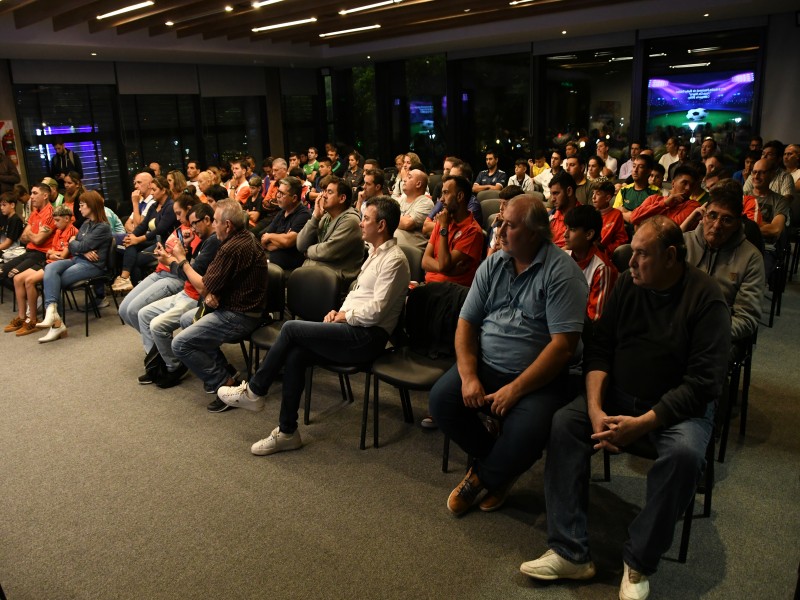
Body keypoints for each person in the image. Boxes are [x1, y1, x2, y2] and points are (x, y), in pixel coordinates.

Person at [521, 216, 730, 600]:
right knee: (566, 423)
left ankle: (638, 562)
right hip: (617, 397)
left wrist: (643, 423)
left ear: (670, 256)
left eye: (640, 254)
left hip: (676, 410)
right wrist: (597, 409)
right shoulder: (629, 286)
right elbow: (599, 349)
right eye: (630, 252)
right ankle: (570, 551)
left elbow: (704, 384)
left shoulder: (706, 298)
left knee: (684, 455)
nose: (629, 262)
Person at [429, 194, 587, 516]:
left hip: (539, 378)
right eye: (500, 222)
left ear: (534, 233)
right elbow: (466, 323)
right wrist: (470, 376)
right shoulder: (494, 263)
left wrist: (516, 390)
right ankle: (502, 468)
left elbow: (562, 347)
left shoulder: (562, 272)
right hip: (487, 365)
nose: (499, 230)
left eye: (509, 225)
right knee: (441, 401)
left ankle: (481, 477)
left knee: (528, 431)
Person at [217, 196, 410, 455]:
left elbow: (376, 311)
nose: (361, 223)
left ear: (382, 225)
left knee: (290, 329)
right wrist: (339, 311)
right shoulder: (373, 253)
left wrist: (344, 316)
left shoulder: (394, 260)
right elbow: (359, 297)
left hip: (368, 338)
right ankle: (287, 433)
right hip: (354, 329)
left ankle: (254, 390)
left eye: (366, 219)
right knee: (297, 354)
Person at [171, 200, 269, 401]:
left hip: (241, 315)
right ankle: (226, 370)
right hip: (237, 305)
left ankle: (225, 384)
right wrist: (212, 293)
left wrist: (181, 260)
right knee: (185, 320)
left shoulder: (231, 248)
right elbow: (218, 284)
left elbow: (202, 285)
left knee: (179, 344)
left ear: (227, 225)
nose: (213, 225)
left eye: (215, 221)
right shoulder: (245, 237)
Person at [138, 203, 221, 388]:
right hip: (185, 292)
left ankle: (174, 366)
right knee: (143, 315)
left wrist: (172, 260)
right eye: (190, 225)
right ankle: (157, 362)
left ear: (207, 220)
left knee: (157, 325)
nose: (192, 229)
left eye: (194, 224)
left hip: (195, 298)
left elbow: (189, 272)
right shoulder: (202, 239)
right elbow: (190, 267)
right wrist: (187, 248)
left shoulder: (214, 241)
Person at [682, 178, 764, 344]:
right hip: (678, 324)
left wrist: (709, 334)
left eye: (726, 219)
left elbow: (746, 317)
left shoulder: (751, 258)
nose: (717, 225)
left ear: (737, 224)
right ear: (703, 215)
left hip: (720, 333)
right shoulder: (683, 244)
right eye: (712, 215)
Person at [36, 191, 113, 342]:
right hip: (80, 259)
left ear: (91, 206)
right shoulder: (86, 224)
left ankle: (56, 325)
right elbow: (76, 248)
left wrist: (74, 243)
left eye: (82, 205)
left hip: (93, 266)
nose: (79, 209)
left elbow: (77, 244)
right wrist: (82, 250)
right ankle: (52, 313)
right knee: (50, 269)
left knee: (54, 281)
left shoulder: (102, 227)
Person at [117, 191, 197, 332]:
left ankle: (158, 348)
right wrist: (163, 253)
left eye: (179, 214)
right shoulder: (180, 227)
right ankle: (158, 345)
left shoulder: (196, 231)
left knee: (134, 311)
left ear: (189, 209)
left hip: (175, 275)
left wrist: (169, 258)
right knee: (124, 310)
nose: (177, 218)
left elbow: (188, 265)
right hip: (160, 271)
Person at [5, 205, 77, 336]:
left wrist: (53, 253)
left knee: (29, 281)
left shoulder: (72, 231)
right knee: (17, 278)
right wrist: (52, 253)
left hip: (61, 265)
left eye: (57, 220)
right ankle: (22, 318)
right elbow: (50, 252)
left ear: (67, 219)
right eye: (54, 220)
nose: (55, 223)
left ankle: (33, 319)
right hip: (49, 262)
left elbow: (63, 256)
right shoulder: (57, 232)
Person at [112, 175, 177, 292]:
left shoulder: (170, 206)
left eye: (154, 190)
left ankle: (135, 288)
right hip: (153, 240)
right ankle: (125, 280)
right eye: (151, 189)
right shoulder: (154, 205)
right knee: (130, 243)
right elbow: (143, 225)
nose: (151, 193)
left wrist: (138, 239)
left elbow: (160, 230)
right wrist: (132, 236)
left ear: (163, 190)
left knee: (135, 259)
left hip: (165, 243)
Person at [296, 176, 364, 288]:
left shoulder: (351, 221)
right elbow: (300, 244)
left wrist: (308, 252)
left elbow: (327, 251)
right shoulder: (326, 217)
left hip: (337, 281)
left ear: (342, 198)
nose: (323, 195)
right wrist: (315, 217)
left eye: (329, 192)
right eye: (324, 191)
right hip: (320, 274)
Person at [422, 175, 484, 287]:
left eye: (446, 193)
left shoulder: (473, 231)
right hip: (429, 286)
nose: (441, 199)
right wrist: (448, 270)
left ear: (460, 196)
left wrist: (444, 227)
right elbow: (425, 261)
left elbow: (444, 264)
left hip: (452, 292)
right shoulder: (442, 221)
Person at [564, 204, 617, 322]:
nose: (565, 234)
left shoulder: (602, 268)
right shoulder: (564, 256)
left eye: (572, 229)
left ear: (589, 234)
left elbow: (595, 319)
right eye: (565, 228)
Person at [0, 183, 55, 288]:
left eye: (35, 193)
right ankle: (32, 298)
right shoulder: (34, 214)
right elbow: (23, 238)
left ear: (45, 196)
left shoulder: (50, 213)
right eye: (31, 193)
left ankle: (36, 297)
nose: (31, 196)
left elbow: (38, 240)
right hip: (29, 251)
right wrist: (33, 235)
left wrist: (30, 233)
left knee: (13, 275)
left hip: (41, 254)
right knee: (1, 272)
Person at [260, 175, 312, 272]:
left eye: (282, 193)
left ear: (294, 198)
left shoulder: (304, 215)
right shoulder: (282, 212)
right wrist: (280, 240)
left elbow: (288, 241)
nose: (277, 196)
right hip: (273, 263)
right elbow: (264, 240)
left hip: (291, 269)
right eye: (278, 192)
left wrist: (271, 236)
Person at [630, 165, 699, 229]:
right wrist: (664, 203)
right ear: (673, 183)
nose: (688, 188)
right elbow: (634, 218)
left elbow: (671, 229)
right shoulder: (653, 198)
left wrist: (643, 224)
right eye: (684, 183)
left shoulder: (693, 205)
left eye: (692, 185)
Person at [591, 180, 627, 257]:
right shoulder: (589, 212)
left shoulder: (616, 214)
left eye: (598, 194)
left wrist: (607, 249)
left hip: (604, 254)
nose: (593, 197)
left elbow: (621, 239)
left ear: (607, 198)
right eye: (593, 193)